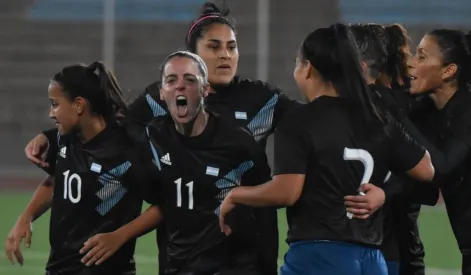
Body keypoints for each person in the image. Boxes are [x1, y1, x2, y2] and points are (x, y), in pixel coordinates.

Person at [22, 2, 300, 274]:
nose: (225, 55)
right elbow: (110, 127)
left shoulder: (261, 100)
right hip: (180, 253)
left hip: (243, 253)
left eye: (231, 46)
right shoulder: (162, 98)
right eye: (214, 47)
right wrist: (53, 137)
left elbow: (313, 125)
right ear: (193, 55)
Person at [218, 23, 435, 275]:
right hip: (373, 260)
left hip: (318, 256)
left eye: (296, 63)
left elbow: (286, 192)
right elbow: (426, 169)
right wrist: (384, 193)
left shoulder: (300, 120)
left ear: (307, 68)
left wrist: (236, 195)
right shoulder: (377, 118)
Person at [80, 51, 273, 274]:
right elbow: (162, 201)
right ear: (162, 93)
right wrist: (49, 139)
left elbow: (265, 210)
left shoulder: (239, 144)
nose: (180, 86)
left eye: (190, 80)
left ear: (205, 89)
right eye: (171, 81)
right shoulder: (153, 138)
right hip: (177, 266)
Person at [5, 62, 162, 275]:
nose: (51, 113)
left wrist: (120, 236)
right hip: (59, 269)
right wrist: (26, 217)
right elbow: (56, 180)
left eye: (55, 104)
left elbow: (163, 205)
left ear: (79, 105)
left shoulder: (125, 152)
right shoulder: (65, 139)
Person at [348, 23, 437, 275]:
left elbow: (428, 177)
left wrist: (385, 192)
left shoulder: (366, 105)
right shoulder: (413, 106)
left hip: (366, 241)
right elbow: (429, 184)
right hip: (401, 243)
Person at [405, 28, 471, 275]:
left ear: (448, 70)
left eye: (421, 56)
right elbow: (429, 192)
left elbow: (441, 168)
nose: (412, 63)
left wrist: (400, 120)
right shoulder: (434, 113)